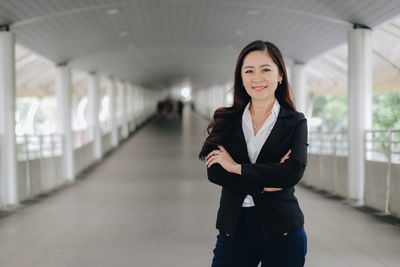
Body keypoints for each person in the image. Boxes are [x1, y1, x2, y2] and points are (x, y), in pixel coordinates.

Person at [198, 40, 308, 267]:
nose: (257, 78)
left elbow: (292, 173)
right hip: (234, 228)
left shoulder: (295, 122)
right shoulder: (226, 119)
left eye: (266, 69)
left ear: (280, 75)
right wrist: (266, 181)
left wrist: (236, 168)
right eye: (249, 71)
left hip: (283, 230)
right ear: (241, 77)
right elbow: (216, 173)